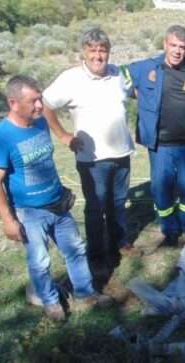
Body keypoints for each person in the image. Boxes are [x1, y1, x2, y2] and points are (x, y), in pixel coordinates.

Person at [0, 75, 112, 322]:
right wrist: (8, 220)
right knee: (40, 261)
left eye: (40, 99)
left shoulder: (40, 122)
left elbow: (47, 154)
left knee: (75, 249)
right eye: (33, 101)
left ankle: (86, 293)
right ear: (13, 103)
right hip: (29, 212)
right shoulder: (1, 137)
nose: (39, 106)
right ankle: (51, 302)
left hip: (58, 203)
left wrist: (64, 137)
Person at [42, 28, 135, 272]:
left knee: (118, 202)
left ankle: (119, 242)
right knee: (96, 207)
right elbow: (45, 104)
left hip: (122, 153)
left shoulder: (118, 74)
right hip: (92, 160)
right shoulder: (70, 78)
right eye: (92, 50)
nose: (97, 56)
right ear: (84, 52)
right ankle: (96, 254)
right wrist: (63, 135)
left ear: (109, 52)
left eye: (102, 50)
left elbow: (136, 92)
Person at [123, 25, 185, 246]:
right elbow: (115, 73)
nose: (177, 51)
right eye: (173, 45)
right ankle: (169, 228)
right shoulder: (146, 68)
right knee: (161, 189)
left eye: (182, 47)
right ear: (164, 44)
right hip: (160, 145)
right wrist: (135, 92)